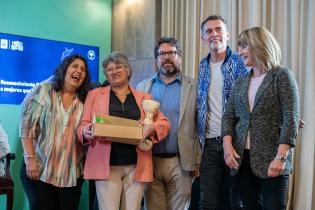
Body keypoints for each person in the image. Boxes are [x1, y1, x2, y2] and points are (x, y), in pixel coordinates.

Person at [77, 52, 170, 210]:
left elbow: (164, 123)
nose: (114, 71)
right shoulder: (94, 95)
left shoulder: (144, 97)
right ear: (106, 74)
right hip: (106, 165)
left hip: (136, 165)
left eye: (118, 67)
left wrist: (151, 128)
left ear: (127, 70)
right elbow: (83, 125)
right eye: (109, 69)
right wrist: (85, 131)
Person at [221, 27, 299, 210]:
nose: (239, 52)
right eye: (239, 46)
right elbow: (228, 117)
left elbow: (291, 118)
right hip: (242, 160)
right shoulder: (240, 82)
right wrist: (227, 146)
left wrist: (281, 157)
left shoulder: (282, 76)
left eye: (244, 46)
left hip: (273, 159)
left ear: (259, 45)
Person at [19, 54, 91, 210]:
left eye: (83, 69)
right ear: (64, 69)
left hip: (71, 175)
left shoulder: (85, 101)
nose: (78, 70)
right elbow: (26, 126)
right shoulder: (43, 90)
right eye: (74, 66)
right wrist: (30, 159)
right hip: (39, 169)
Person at [137, 36, 201, 210]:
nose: (166, 57)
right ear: (157, 59)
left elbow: (201, 125)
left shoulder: (194, 87)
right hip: (150, 160)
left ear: (179, 57)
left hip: (180, 161)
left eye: (171, 53)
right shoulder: (143, 86)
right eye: (161, 54)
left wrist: (198, 158)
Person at [197, 15, 249, 210]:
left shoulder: (241, 62)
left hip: (237, 142)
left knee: (237, 201)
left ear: (227, 34)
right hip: (209, 144)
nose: (214, 34)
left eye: (218, 29)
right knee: (207, 201)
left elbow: (255, 96)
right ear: (203, 38)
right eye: (209, 31)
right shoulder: (202, 66)